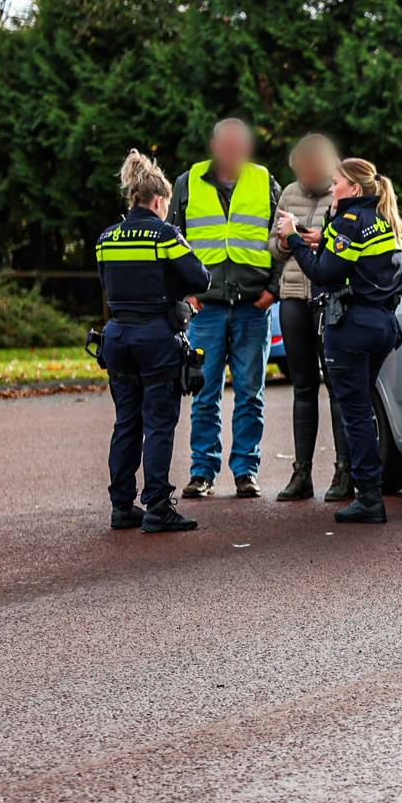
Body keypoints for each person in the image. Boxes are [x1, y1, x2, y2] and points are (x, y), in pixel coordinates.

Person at [276, 157, 402, 524]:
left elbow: (323, 271)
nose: (332, 188)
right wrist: (315, 238)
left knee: (356, 414)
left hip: (352, 326)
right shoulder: (385, 219)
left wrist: (291, 238)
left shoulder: (349, 221)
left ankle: (368, 497)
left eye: (337, 183)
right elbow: (348, 256)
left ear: (355, 189)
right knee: (361, 407)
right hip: (383, 323)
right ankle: (367, 490)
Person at [95, 151, 210, 533]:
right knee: (159, 423)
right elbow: (200, 278)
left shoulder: (106, 238)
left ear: (132, 198)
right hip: (157, 338)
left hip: (117, 339)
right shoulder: (165, 234)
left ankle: (121, 505)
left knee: (126, 421)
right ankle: (158, 505)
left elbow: (107, 281)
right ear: (159, 200)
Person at [177, 117, 282, 500]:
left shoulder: (264, 181)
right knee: (204, 395)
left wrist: (273, 291)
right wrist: (186, 295)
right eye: (227, 144)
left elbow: (282, 237)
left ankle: (245, 472)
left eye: (240, 145)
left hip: (253, 307)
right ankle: (202, 472)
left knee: (251, 394)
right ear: (215, 146)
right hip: (206, 309)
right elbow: (173, 242)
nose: (234, 151)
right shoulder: (187, 183)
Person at [272, 133, 353, 503]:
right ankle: (301, 473)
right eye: (298, 171)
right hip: (292, 298)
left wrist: (316, 239)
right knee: (302, 386)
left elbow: (346, 243)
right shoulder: (288, 193)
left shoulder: (340, 193)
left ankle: (344, 471)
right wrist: (286, 241)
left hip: (328, 298)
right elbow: (272, 247)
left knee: (336, 386)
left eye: (309, 170)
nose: (304, 177)